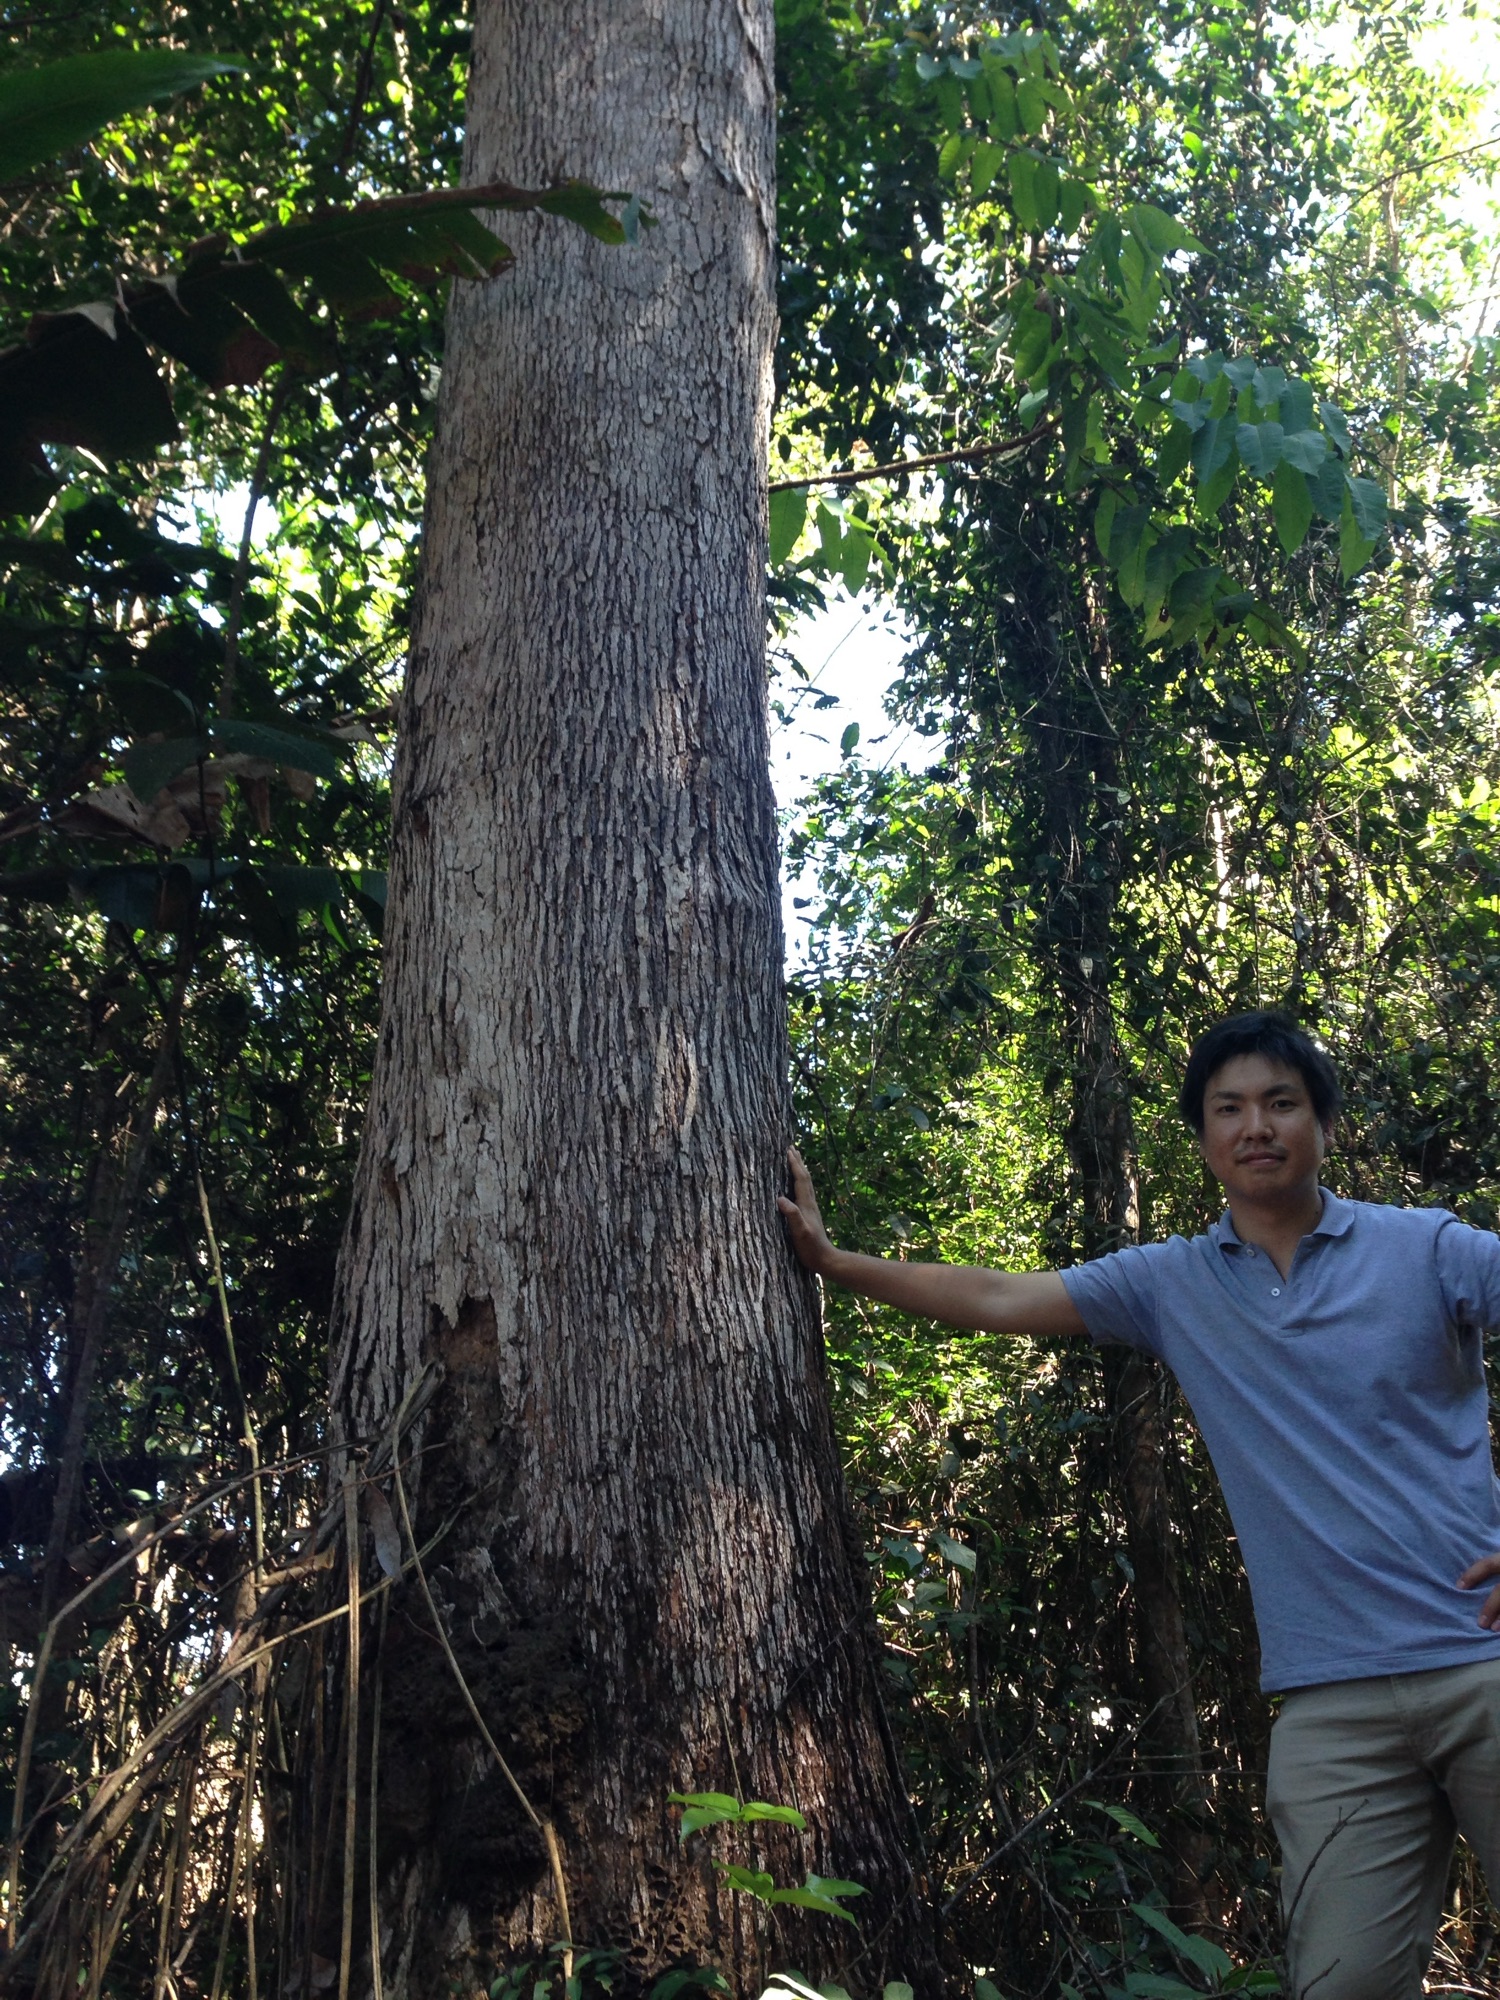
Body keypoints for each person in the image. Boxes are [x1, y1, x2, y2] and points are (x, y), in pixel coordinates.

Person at [777, 1010, 1500, 2000]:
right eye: (1229, 1107)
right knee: (1342, 1982)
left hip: (1484, 1661)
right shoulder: (1173, 1282)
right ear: (1203, 1136)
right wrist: (834, 1262)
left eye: (1282, 1102)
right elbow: (996, 1294)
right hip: (1334, 1704)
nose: (1257, 1124)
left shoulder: (1428, 1251)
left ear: (1323, 1122)